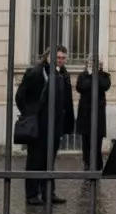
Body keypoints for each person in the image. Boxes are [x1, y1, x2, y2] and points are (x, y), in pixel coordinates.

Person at [15, 45, 75, 205]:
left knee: (49, 160)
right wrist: (31, 115)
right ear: (48, 56)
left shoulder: (63, 73)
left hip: (55, 124)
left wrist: (67, 123)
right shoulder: (35, 72)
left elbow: (67, 101)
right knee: (35, 159)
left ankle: (48, 192)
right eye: (58, 57)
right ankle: (32, 194)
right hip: (39, 124)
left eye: (63, 58)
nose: (60, 60)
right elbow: (20, 97)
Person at [76, 57, 111, 171]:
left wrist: (95, 75)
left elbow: (105, 85)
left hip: (98, 113)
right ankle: (87, 163)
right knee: (86, 140)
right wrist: (91, 76)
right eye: (90, 63)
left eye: (95, 63)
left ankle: (97, 164)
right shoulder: (82, 76)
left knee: (97, 140)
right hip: (85, 112)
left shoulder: (104, 76)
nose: (92, 65)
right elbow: (80, 87)